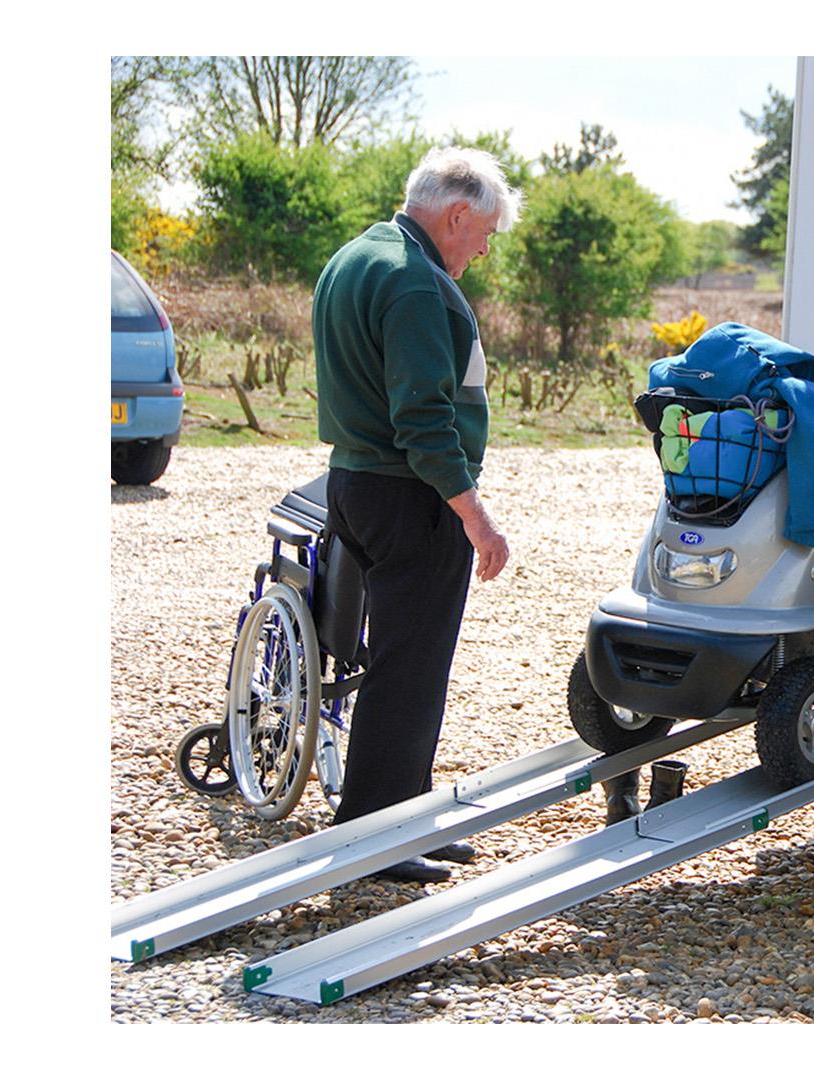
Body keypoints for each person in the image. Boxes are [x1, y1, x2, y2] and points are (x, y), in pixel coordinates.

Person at [312, 147, 517, 882]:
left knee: (400, 657)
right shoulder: (415, 282)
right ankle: (375, 837)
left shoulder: (355, 256)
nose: (483, 251)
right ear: (456, 215)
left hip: (355, 482)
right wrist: (475, 514)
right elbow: (424, 417)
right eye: (484, 234)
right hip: (408, 493)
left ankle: (406, 814)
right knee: (409, 665)